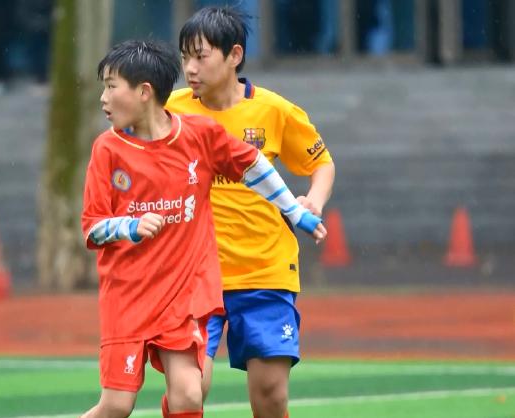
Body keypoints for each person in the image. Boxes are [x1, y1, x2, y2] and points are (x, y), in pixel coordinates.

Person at [81, 39, 327, 418]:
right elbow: (92, 228)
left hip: (182, 297)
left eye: (111, 87)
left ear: (144, 92)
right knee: (116, 406)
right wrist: (128, 226)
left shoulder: (198, 134)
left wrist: (294, 210)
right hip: (127, 297)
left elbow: (252, 164)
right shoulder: (107, 149)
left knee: (189, 394)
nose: (103, 98)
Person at [166, 6, 336, 418]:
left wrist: (313, 200)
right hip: (195, 275)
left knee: (270, 395)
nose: (190, 68)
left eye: (200, 56)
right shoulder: (170, 111)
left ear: (234, 55)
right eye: (184, 57)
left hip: (265, 270)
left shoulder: (275, 110)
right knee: (188, 391)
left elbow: (322, 164)